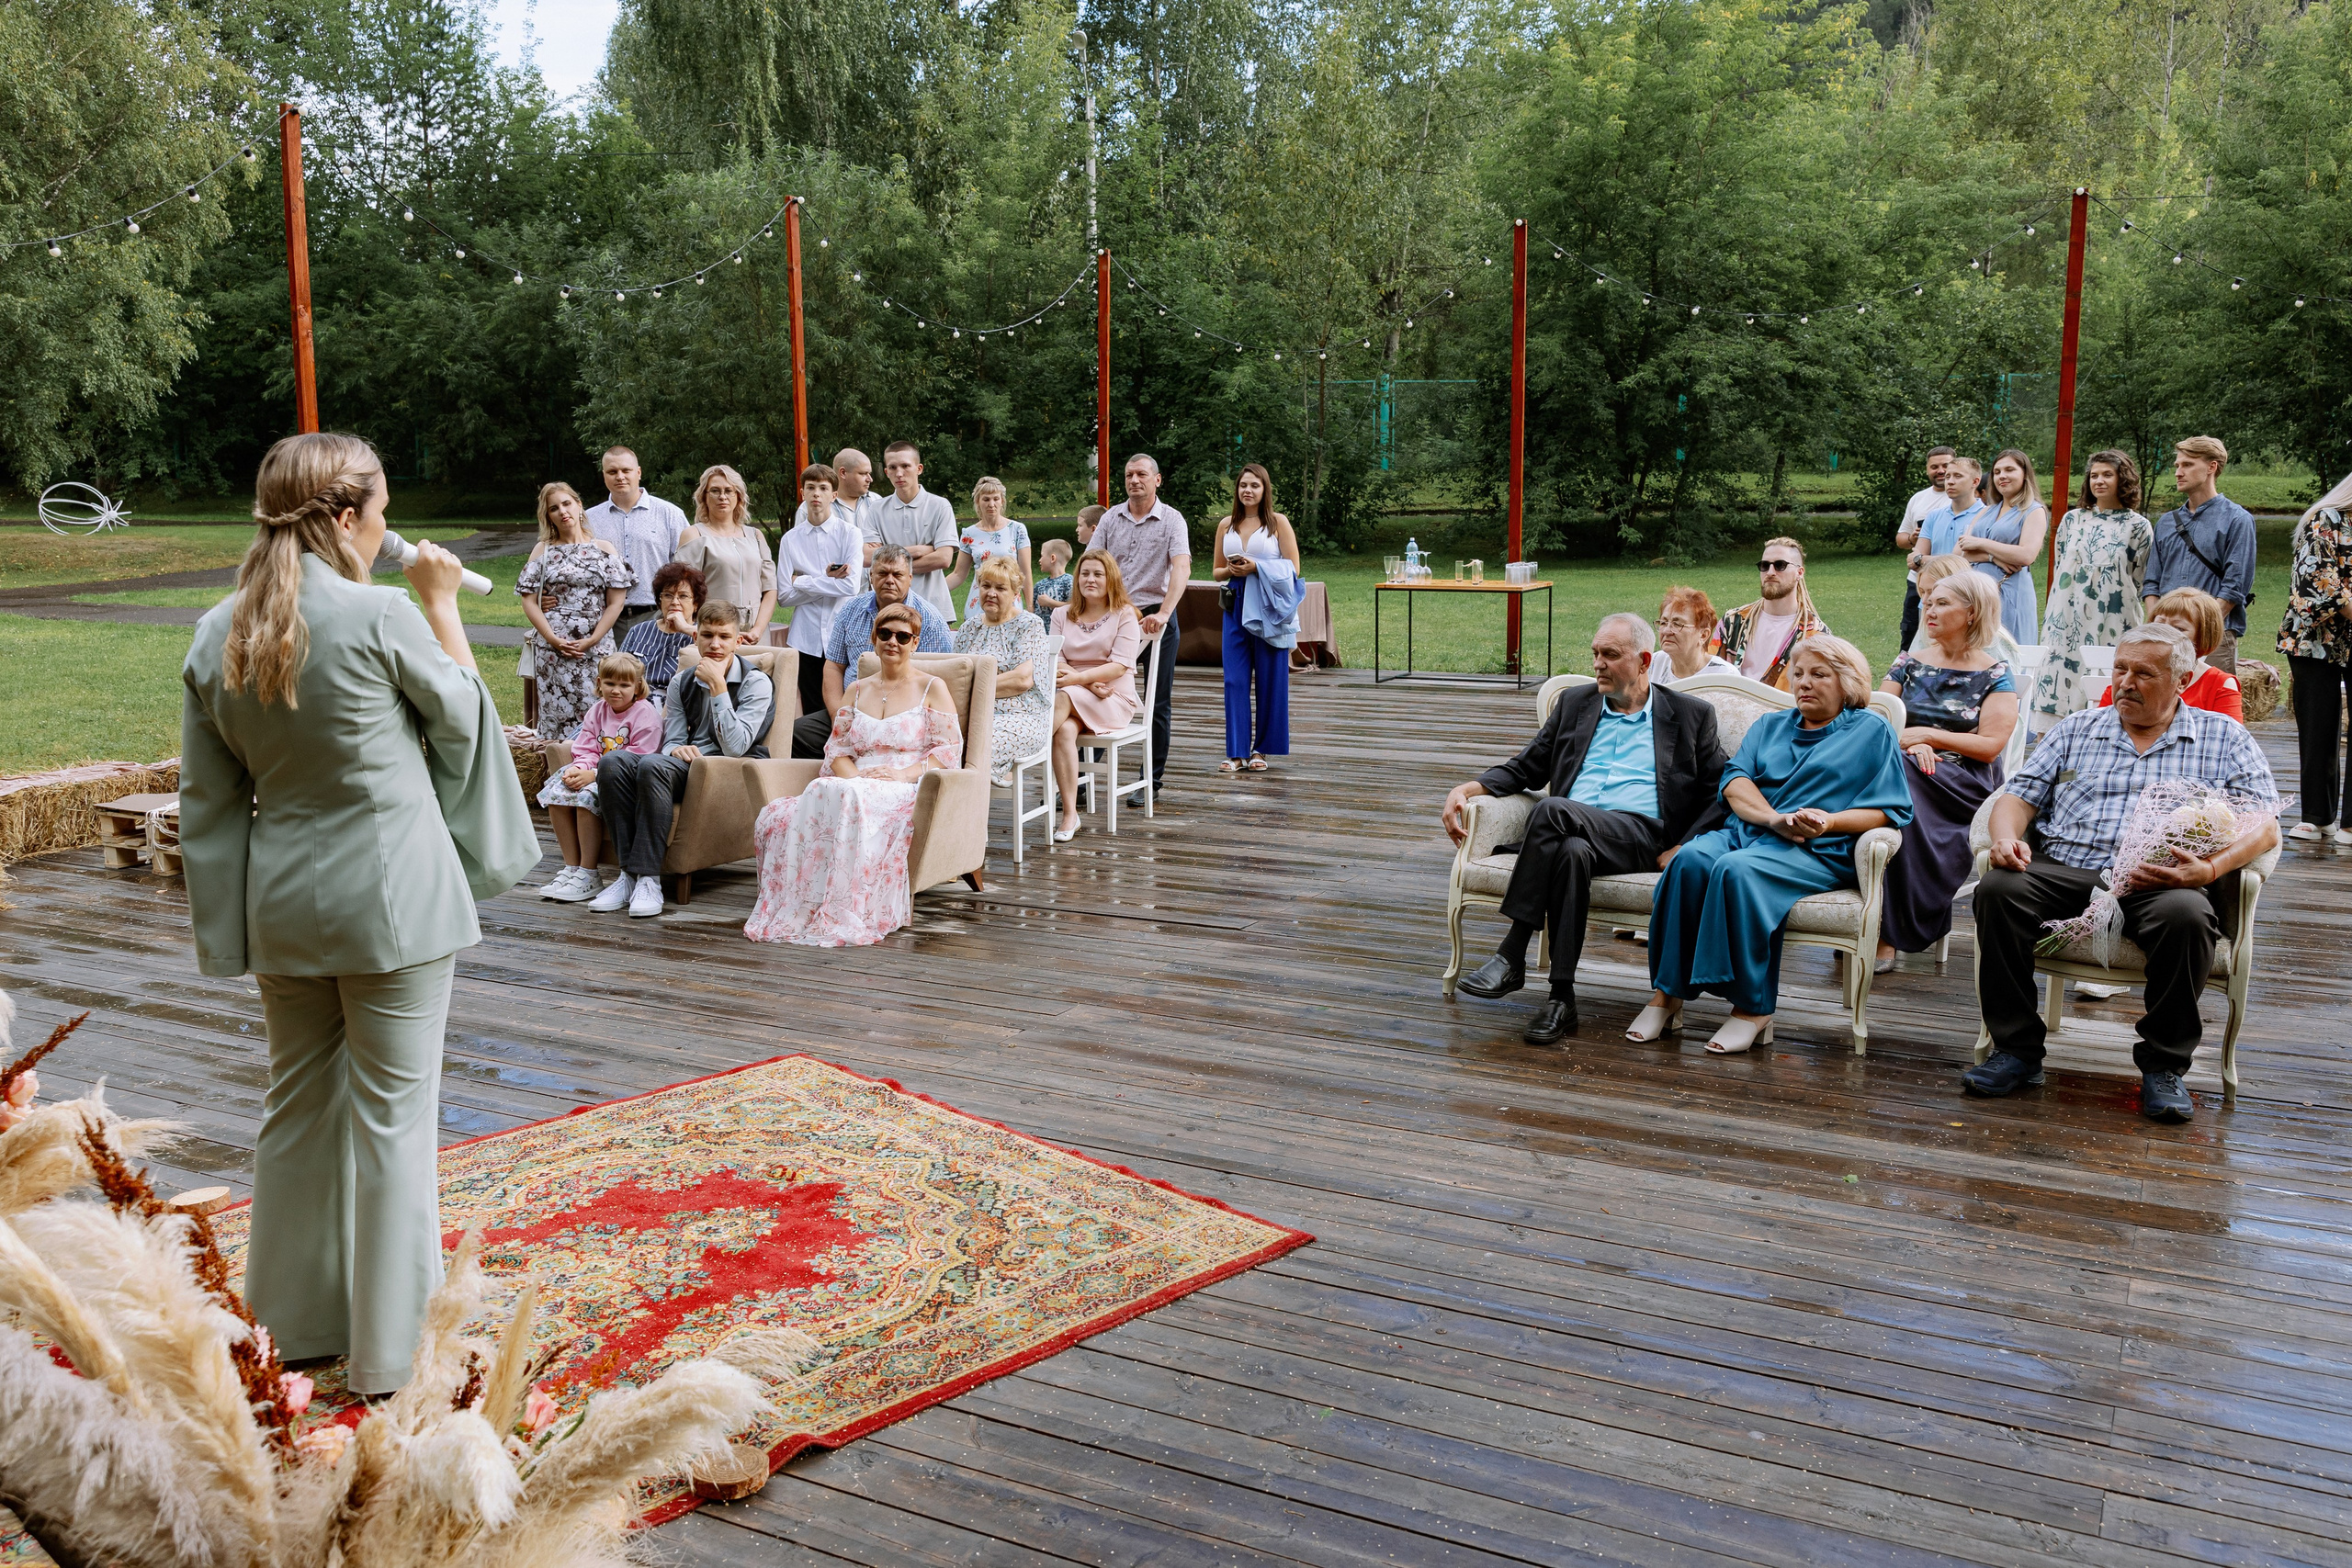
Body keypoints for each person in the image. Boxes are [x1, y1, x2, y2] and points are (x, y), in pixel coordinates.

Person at [180, 432, 538, 1394]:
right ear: (346, 519)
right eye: (377, 508)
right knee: (391, 1118)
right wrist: (437, 601)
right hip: (395, 906)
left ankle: (286, 1329)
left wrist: (227, 929)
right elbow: (465, 719)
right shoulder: (383, 615)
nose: (385, 523)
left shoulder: (215, 633)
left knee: (296, 1109)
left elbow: (207, 805)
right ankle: (391, 1358)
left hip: (281, 908)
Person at [1962, 623, 2280, 1123]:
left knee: (2188, 917)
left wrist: (2210, 869)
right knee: (1999, 889)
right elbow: (2018, 797)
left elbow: (2265, 825)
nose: (2126, 682)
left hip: (2161, 879)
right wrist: (2006, 837)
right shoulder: (2077, 728)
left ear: (2181, 679)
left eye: (2143, 673)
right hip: (2069, 869)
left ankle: (2163, 1067)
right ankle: (2017, 1052)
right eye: (2120, 669)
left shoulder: (2222, 737)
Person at [1445, 614, 1727, 1045]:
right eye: (1595, 653)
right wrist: (1466, 788)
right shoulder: (1576, 704)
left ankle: (1513, 950)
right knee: (1571, 850)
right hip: (1571, 831)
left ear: (1644, 660)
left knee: (1555, 811)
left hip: (1640, 835)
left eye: (1610, 655)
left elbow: (1722, 792)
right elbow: (1527, 766)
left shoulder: (1690, 716)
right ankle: (1562, 999)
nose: (1597, 663)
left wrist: (1687, 845)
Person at [1634, 635, 1912, 1055]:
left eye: (1819, 674)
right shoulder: (1769, 726)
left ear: (1848, 682)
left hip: (1817, 849)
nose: (1804, 683)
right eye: (1798, 673)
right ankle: (1666, 995)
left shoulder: (1871, 731)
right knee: (1689, 860)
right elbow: (1734, 782)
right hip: (1750, 832)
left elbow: (1888, 810)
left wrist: (1829, 821)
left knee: (1737, 870)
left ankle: (1752, 1007)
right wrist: (1772, 819)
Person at [744, 604, 965, 947]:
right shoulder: (857, 690)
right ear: (874, 639)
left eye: (903, 636)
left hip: (904, 783)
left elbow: (947, 752)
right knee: (817, 790)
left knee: (838, 793)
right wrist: (855, 781)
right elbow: (837, 751)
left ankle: (845, 908)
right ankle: (807, 902)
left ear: (915, 643)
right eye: (885, 634)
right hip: (854, 781)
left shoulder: (932, 687)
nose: (893, 642)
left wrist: (903, 774)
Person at [592, 601, 775, 919]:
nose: (715, 644)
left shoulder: (756, 683)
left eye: (724, 637)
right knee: (613, 763)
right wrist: (676, 749)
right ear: (695, 637)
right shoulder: (682, 681)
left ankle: (649, 878)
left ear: (738, 641)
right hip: (681, 766)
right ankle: (628, 877)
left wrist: (719, 687)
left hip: (725, 769)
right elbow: (673, 738)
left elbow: (736, 746)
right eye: (707, 635)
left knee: (651, 766)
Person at [1873, 570, 2016, 968]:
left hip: (1963, 782)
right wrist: (1913, 741)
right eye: (1928, 601)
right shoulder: (1909, 662)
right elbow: (1879, 719)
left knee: (1899, 789)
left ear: (1972, 613)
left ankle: (1888, 930)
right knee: (1893, 780)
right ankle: (1864, 907)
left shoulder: (1995, 674)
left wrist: (1930, 737)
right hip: (1906, 764)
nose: (1928, 609)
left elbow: (1990, 747)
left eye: (1941, 603)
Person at [789, 544, 952, 760]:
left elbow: (937, 681)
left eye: (898, 574)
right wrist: (840, 719)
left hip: (902, 721)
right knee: (794, 734)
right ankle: (832, 774)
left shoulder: (930, 620)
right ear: (871, 576)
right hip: (850, 711)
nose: (890, 580)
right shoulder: (850, 610)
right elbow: (834, 666)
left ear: (910, 578)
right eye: (883, 573)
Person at [1092, 454, 1190, 791]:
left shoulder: (1173, 521)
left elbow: (1181, 568)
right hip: (1115, 618)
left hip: (1156, 619)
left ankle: (1150, 781)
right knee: (1099, 690)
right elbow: (1092, 563)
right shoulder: (1109, 519)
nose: (1135, 480)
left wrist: (1163, 613)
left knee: (1156, 700)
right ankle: (1081, 779)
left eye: (1142, 474)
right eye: (1129, 474)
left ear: (1157, 480)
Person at [2034, 449, 2154, 724]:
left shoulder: (2138, 526)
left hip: (2112, 614)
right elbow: (2060, 566)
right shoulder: (2072, 520)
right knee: (2057, 671)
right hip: (2065, 612)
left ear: (2122, 479)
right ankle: (2048, 738)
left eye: (2107, 475)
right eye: (2094, 475)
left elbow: (2140, 575)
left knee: (2103, 670)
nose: (2099, 481)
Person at [536, 652, 661, 902]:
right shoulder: (597, 710)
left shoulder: (646, 714)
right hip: (592, 771)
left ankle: (588, 872)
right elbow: (586, 747)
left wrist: (592, 775)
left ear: (637, 686)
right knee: (558, 793)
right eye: (610, 683)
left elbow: (641, 756)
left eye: (624, 685)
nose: (616, 691)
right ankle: (572, 868)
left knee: (586, 797)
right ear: (599, 683)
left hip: (625, 780)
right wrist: (578, 768)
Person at [514, 481, 632, 743]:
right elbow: (529, 601)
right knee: (557, 717)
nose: (562, 512)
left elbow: (616, 602)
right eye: (554, 508)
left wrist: (593, 639)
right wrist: (551, 638)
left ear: (579, 505)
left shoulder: (604, 549)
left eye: (567, 504)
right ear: (548, 516)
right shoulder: (543, 550)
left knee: (602, 710)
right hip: (554, 650)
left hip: (597, 645)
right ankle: (556, 773)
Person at [1048, 548, 1142, 841]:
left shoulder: (1124, 614)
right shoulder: (1061, 614)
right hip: (1081, 690)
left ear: (1110, 579)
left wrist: (1079, 679)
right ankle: (1070, 815)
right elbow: (1057, 660)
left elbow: (1118, 666)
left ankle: (1021, 752)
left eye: (1098, 574)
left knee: (1062, 698)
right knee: (1063, 732)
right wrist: (1084, 683)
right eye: (1085, 573)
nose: (1090, 579)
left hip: (1112, 697)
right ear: (1076, 579)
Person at [1215, 463, 1302, 773]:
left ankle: (1261, 750)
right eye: (1243, 486)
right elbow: (1215, 572)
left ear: (1265, 490)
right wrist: (1232, 570)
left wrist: (1257, 567)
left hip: (1267, 605)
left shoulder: (1277, 523)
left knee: (1270, 679)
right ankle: (1236, 751)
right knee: (1234, 678)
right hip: (1235, 602)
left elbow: (1294, 568)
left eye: (1254, 485)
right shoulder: (1226, 524)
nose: (1248, 490)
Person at [2279, 471, 2352, 843]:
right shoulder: (2325, 518)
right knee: (2317, 723)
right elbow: (2314, 581)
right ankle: (2317, 816)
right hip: (2315, 636)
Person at [2146, 435, 2256, 672]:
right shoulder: (2166, 522)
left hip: (2213, 637)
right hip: (2165, 636)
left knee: (2212, 706)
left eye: (2187, 465)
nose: (2178, 472)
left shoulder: (2237, 519)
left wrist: (2203, 629)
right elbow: (2151, 583)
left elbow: (2234, 587)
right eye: (2177, 465)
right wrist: (2157, 627)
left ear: (2211, 467)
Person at [776, 463, 865, 731]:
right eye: (811, 487)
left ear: (833, 495)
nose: (817, 493)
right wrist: (826, 580)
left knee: (850, 701)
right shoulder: (790, 540)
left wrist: (802, 581)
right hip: (807, 638)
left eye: (823, 488)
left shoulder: (850, 534)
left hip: (843, 630)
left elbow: (851, 587)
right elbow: (784, 596)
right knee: (814, 708)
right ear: (803, 492)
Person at [954, 556, 1052, 787]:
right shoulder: (970, 628)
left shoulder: (1029, 624)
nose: (991, 593)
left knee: (977, 744)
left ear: (1015, 593)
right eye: (986, 586)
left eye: (1000, 588)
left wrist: (972, 689)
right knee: (937, 739)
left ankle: (967, 814)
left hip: (1021, 717)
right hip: (972, 715)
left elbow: (1021, 679)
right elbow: (956, 673)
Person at [584, 446, 690, 635]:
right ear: (604, 475)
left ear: (638, 472)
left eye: (626, 470)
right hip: (604, 620)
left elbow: (686, 569)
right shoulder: (589, 519)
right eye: (612, 471)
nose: (620, 476)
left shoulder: (670, 514)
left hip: (656, 616)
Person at [2098, 588, 2244, 721]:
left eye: (2178, 629)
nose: (2164, 633)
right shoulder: (2127, 683)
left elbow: (2231, 740)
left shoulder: (2219, 686)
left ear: (2203, 637)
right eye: (2159, 624)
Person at [673, 464, 775, 642]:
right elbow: (682, 589)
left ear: (738, 496)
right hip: (713, 632)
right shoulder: (694, 535)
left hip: (755, 633)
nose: (722, 496)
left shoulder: (756, 536)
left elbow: (770, 588)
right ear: (704, 496)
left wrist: (758, 630)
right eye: (715, 491)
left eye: (729, 490)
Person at [1712, 536, 1827, 691]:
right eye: (1765, 566)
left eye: (1780, 565)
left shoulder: (1815, 635)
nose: (1770, 572)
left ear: (1799, 572)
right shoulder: (1733, 622)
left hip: (1784, 713)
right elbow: (1709, 673)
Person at [1958, 447, 2047, 647]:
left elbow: (2026, 555)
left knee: (2009, 648)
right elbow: (1962, 551)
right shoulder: (1987, 510)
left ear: (2025, 475)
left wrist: (1981, 543)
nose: (2002, 476)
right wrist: (1993, 557)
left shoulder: (2033, 511)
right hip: (1977, 591)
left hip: (2010, 590)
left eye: (2009, 470)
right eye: (1997, 472)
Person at [865, 441, 961, 625]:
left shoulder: (940, 506)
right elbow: (866, 557)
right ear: (886, 472)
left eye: (905, 466)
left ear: (919, 468)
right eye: (892, 467)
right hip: (887, 610)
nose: (899, 473)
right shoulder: (876, 509)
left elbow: (943, 559)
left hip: (933, 608)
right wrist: (918, 550)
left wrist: (887, 563)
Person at [1892, 446, 1957, 649]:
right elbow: (1901, 539)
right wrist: (1913, 538)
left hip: (1951, 580)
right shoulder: (1918, 498)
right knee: (1911, 634)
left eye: (1945, 465)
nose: (1940, 471)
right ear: (1927, 469)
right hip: (1918, 582)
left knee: (1945, 636)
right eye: (1934, 466)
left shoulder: (1960, 498)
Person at [1910, 552, 2022, 664]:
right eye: (1922, 592)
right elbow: (1909, 670)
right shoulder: (1929, 628)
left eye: (1941, 601)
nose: (1924, 601)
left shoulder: (1993, 646)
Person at [947, 476, 1033, 621]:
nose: (991, 504)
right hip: (979, 601)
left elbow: (1025, 572)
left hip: (1008, 600)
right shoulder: (969, 533)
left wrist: (1030, 607)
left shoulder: (1017, 530)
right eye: (986, 499)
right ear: (978, 502)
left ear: (1002, 501)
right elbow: (958, 574)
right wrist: (934, 591)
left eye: (996, 499)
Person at [619, 562, 705, 705]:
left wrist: (684, 628)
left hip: (675, 705)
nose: (675, 602)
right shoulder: (639, 630)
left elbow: (717, 645)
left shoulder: (700, 635)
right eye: (668, 595)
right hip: (633, 702)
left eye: (683, 596)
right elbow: (617, 669)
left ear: (695, 604)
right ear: (660, 600)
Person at [1655, 586, 1736, 682]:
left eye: (1677, 624)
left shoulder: (1725, 676)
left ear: (1703, 635)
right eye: (1663, 623)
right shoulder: (1654, 664)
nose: (1666, 631)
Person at [1035, 538, 1076, 613]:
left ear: (1052, 558)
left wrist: (1050, 603)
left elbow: (1075, 607)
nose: (1039, 560)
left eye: (1042, 556)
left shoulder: (1069, 581)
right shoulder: (1039, 585)